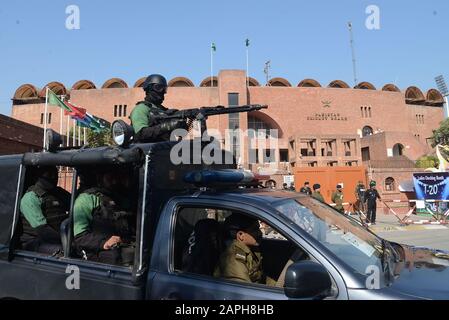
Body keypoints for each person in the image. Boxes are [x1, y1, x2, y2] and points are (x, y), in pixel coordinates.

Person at [73, 169, 135, 265]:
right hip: (96, 251)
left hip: (124, 244)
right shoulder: (86, 199)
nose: (115, 181)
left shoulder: (120, 198)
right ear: (100, 177)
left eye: (117, 177)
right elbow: (80, 237)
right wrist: (104, 242)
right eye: (110, 177)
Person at [20, 166, 71, 254]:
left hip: (59, 237)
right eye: (49, 174)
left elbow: (77, 206)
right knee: (67, 252)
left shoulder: (58, 193)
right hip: (35, 241)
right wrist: (67, 240)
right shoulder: (31, 197)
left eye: (55, 174)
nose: (53, 177)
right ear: (39, 175)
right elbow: (42, 230)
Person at [214, 214, 275, 285]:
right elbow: (245, 290)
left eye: (258, 229)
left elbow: (261, 277)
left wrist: (276, 287)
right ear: (241, 235)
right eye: (255, 230)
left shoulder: (251, 249)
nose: (260, 233)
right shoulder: (232, 259)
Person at [129, 74, 187, 143]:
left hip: (163, 148)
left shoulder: (163, 110)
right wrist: (167, 126)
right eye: (158, 88)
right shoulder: (141, 109)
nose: (162, 91)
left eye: (164, 89)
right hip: (145, 150)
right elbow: (141, 134)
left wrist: (188, 115)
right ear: (149, 88)